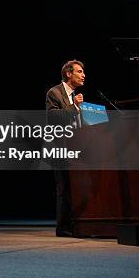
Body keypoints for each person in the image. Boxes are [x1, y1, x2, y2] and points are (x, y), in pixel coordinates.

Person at [45, 59, 86, 237]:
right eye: (79, 71)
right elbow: (54, 118)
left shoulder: (75, 97)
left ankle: (78, 224)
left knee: (76, 186)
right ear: (68, 74)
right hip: (60, 147)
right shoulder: (54, 93)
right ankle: (63, 228)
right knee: (64, 188)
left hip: (76, 147)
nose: (83, 75)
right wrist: (74, 106)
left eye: (83, 72)